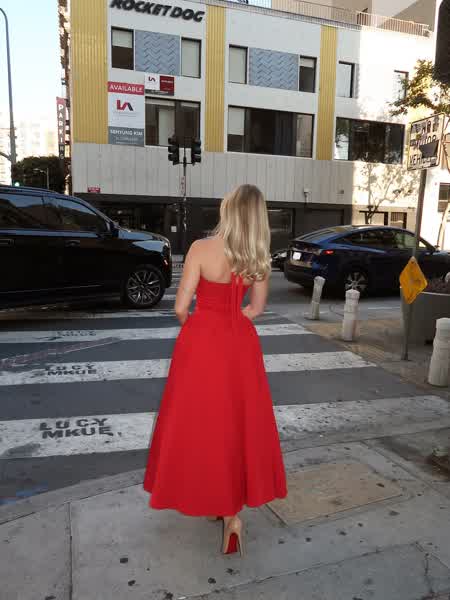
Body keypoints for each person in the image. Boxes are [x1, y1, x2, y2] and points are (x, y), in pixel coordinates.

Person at [143, 184, 287, 556]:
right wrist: (232, 321)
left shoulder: (200, 248)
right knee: (236, 423)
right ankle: (230, 513)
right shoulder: (258, 256)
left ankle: (216, 500)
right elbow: (256, 309)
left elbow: (181, 307)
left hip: (201, 342)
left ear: (228, 210)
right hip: (239, 344)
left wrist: (200, 325)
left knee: (202, 423)